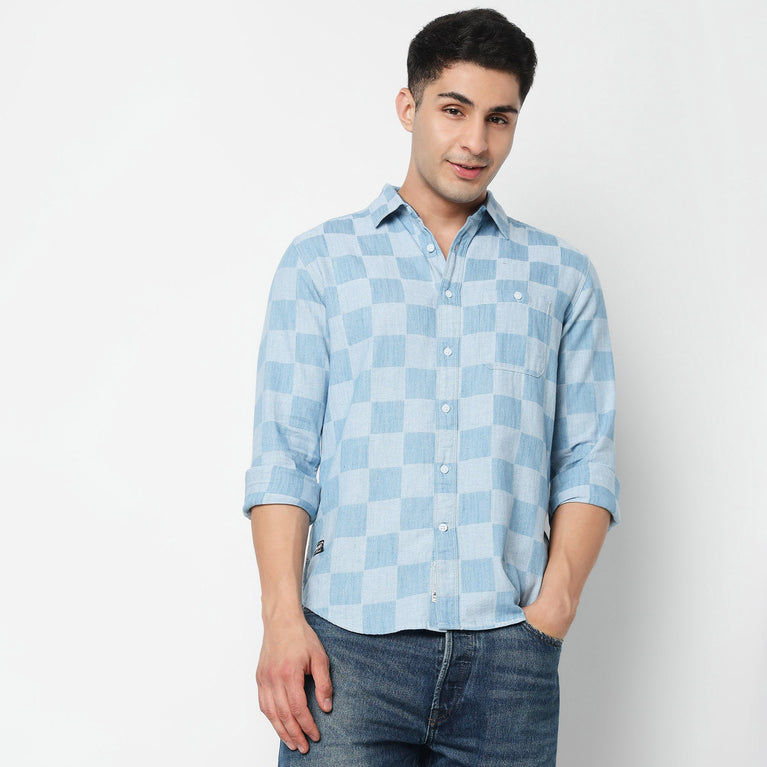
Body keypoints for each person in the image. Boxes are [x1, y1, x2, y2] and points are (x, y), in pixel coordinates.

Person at [243, 8, 620, 765]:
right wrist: (282, 619)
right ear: (408, 107)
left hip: (508, 659)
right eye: (454, 109)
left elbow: (586, 459)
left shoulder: (561, 277)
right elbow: (284, 456)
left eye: (499, 118)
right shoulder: (321, 263)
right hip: (346, 652)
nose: (476, 141)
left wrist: (554, 608)